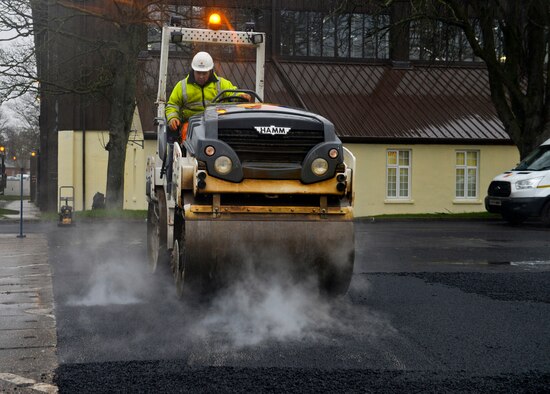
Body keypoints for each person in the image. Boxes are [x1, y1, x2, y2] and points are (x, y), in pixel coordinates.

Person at [165, 51, 250, 141]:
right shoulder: (182, 86)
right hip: (191, 123)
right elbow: (173, 105)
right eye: (198, 72)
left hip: (218, 122)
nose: (201, 76)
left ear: (210, 71)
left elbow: (233, 93)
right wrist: (173, 118)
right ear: (193, 70)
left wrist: (241, 95)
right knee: (187, 133)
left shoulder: (222, 84)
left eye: (204, 73)